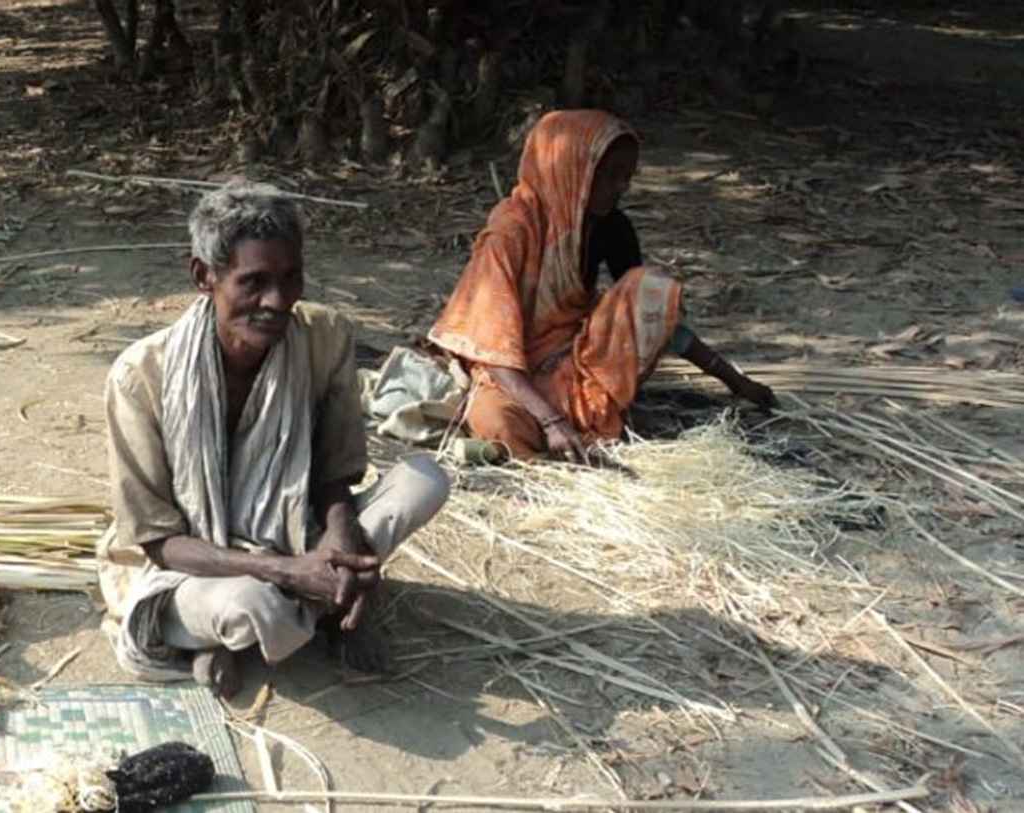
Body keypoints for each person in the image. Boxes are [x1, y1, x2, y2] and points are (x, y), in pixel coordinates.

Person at [96, 181, 449, 697]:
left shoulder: (324, 336)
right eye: (254, 282)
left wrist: (340, 541)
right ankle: (323, 611)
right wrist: (285, 571)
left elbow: (334, 473)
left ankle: (317, 602)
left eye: (291, 278)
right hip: (201, 564)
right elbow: (158, 540)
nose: (277, 301)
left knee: (426, 479)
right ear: (204, 277)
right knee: (249, 605)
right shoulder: (140, 376)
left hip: (294, 529)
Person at [429, 109, 777, 461]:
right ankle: (556, 439)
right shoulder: (511, 234)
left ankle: (577, 427)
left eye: (628, 176)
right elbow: (490, 349)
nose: (622, 186)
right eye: (611, 175)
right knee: (500, 423)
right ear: (572, 170)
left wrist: (733, 380)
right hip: (513, 378)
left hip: (575, 362)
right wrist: (549, 420)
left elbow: (650, 316)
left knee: (651, 288)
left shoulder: (611, 227)